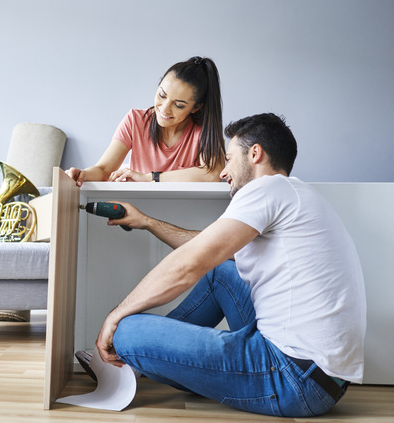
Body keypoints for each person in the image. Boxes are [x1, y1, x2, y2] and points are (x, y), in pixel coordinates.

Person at [92, 113, 366, 417]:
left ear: (255, 153)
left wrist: (115, 316)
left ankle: (128, 353)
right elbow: (208, 248)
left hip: (291, 378)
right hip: (319, 377)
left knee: (126, 332)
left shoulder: (267, 189)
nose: (224, 172)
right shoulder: (293, 194)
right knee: (221, 273)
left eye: (229, 158)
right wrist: (147, 222)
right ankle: (142, 360)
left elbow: (189, 264)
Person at [66, 56, 225, 185]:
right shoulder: (135, 120)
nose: (164, 108)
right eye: (162, 95)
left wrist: (150, 177)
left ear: (196, 107)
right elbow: (104, 169)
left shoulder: (202, 130)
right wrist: (83, 174)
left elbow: (214, 173)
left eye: (178, 105)